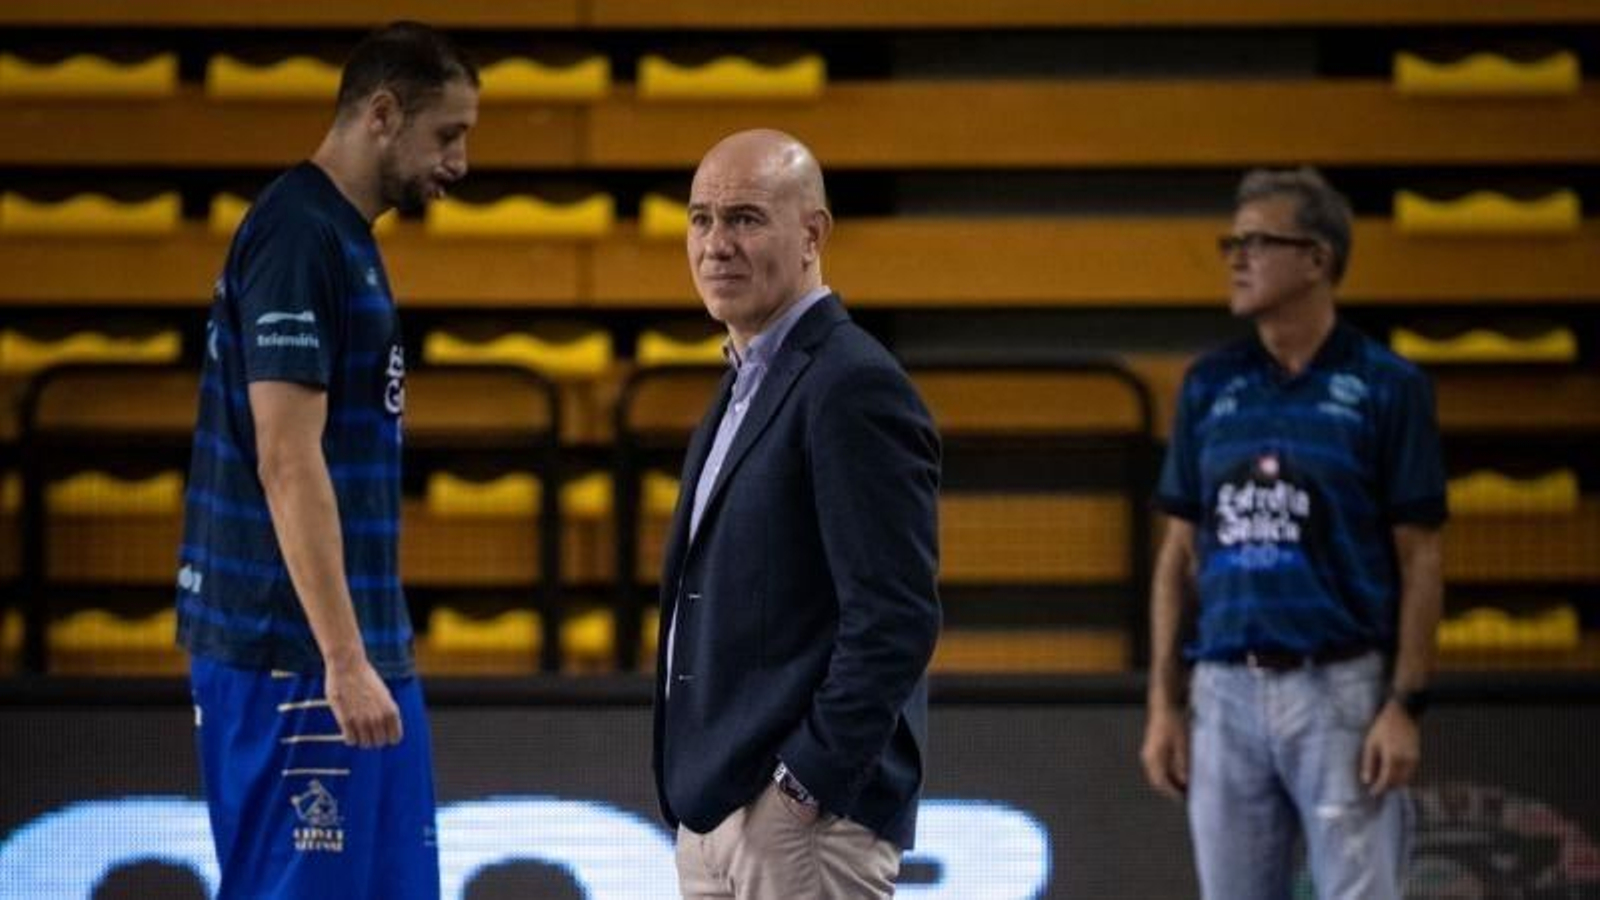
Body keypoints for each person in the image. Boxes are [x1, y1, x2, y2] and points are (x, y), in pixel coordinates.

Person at [175, 22, 477, 900]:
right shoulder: (298, 235)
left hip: (359, 647)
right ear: (382, 114)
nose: (458, 162)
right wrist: (342, 658)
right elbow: (285, 458)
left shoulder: (344, 236)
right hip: (294, 653)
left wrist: (364, 652)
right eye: (446, 135)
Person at [1140, 167, 1448, 899]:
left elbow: (1422, 555)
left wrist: (1404, 704)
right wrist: (1163, 703)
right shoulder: (1208, 384)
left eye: (1259, 241)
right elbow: (1177, 556)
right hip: (1223, 689)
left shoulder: (1388, 387)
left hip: (1342, 689)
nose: (1237, 258)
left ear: (1318, 258)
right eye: (1232, 242)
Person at [652, 129, 942, 900]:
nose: (716, 245)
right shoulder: (746, 380)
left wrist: (803, 788)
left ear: (812, 234)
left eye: (744, 219)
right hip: (717, 809)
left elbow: (895, 619)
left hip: (798, 826)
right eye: (700, 219)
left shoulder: (852, 386)